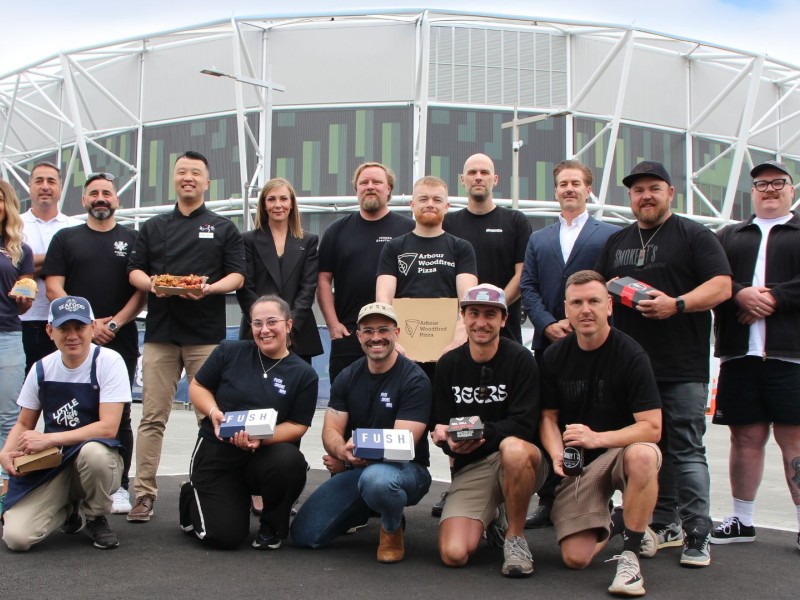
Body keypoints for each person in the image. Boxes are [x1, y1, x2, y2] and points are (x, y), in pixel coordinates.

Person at [594, 160, 732, 568]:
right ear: (630, 198)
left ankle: (697, 533)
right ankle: (660, 523)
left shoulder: (694, 235)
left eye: (654, 188)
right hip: (630, 369)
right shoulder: (618, 240)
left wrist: (679, 304)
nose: (646, 196)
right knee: (643, 449)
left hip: (681, 366)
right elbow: (600, 290)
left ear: (670, 193)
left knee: (686, 448)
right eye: (638, 191)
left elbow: (722, 285)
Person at [127, 150, 245, 522]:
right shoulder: (154, 227)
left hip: (205, 337)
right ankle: (144, 493)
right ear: (174, 179)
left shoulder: (224, 228)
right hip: (160, 334)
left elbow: (237, 276)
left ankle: (209, 488)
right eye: (181, 172)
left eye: (195, 172)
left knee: (209, 417)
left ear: (208, 182)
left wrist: (208, 289)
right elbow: (134, 271)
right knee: (152, 417)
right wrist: (153, 285)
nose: (188, 177)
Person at [539, 270, 662, 596]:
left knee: (643, 455)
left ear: (609, 305)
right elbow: (547, 418)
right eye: (577, 303)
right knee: (575, 559)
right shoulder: (553, 356)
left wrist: (598, 438)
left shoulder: (631, 354)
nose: (585, 310)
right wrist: (555, 454)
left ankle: (631, 556)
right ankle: (623, 521)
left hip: (620, 451)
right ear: (566, 309)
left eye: (594, 301)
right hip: (581, 465)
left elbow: (652, 427)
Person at [291, 302, 432, 563]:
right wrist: (339, 450)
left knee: (377, 480)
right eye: (367, 331)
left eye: (383, 330)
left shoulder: (414, 380)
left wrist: (345, 461)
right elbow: (332, 429)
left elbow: (402, 443)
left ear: (397, 333)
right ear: (358, 336)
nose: (375, 337)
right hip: (359, 469)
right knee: (304, 535)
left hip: (408, 471)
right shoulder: (347, 376)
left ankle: (391, 528)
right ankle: (364, 508)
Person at [520, 159, 620, 528]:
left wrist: (583, 324)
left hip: (594, 347)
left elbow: (611, 287)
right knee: (547, 418)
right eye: (563, 183)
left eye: (576, 183)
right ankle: (549, 498)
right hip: (550, 346)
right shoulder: (539, 238)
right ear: (556, 190)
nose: (569, 189)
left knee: (595, 416)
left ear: (588, 189)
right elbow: (528, 288)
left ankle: (600, 497)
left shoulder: (609, 234)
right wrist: (547, 324)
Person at [43, 172, 146, 515]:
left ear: (117, 200)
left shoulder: (133, 239)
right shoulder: (66, 238)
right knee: (64, 410)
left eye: (107, 193)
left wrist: (113, 323)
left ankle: (119, 487)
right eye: (93, 193)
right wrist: (87, 325)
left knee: (122, 413)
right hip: (74, 337)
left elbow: (141, 291)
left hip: (120, 336)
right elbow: (54, 287)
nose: (100, 198)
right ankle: (60, 485)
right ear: (84, 200)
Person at [180, 295, 318, 550]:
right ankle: (191, 496)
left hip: (262, 457)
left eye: (272, 322)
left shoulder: (304, 374)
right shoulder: (228, 351)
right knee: (224, 538)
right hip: (218, 455)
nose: (264, 330)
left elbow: (298, 425)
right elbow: (198, 387)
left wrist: (261, 439)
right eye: (257, 324)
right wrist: (213, 412)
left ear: (288, 325)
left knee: (289, 461)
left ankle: (271, 526)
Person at [711, 160, 800, 551]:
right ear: (752, 192)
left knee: (794, 441)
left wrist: (774, 298)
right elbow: (713, 279)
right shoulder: (730, 235)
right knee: (744, 438)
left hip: (791, 356)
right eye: (761, 184)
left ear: (791, 190)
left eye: (778, 182)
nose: (769, 189)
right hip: (739, 355)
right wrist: (739, 293)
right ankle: (742, 520)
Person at [430, 283, 547, 578]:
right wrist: (447, 443)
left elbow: (523, 424)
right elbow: (442, 423)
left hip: (521, 460)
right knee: (453, 554)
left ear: (504, 319)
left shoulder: (522, 359)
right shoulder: (448, 364)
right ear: (463, 317)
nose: (481, 322)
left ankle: (515, 538)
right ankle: (492, 515)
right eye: (474, 313)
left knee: (513, 448)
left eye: (490, 315)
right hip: (474, 466)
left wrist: (478, 435)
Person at [0, 296, 130, 551]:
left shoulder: (109, 361)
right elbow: (24, 423)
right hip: (54, 464)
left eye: (79, 328)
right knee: (17, 539)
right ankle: (70, 510)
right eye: (63, 328)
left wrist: (48, 438)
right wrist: (5, 453)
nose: (72, 336)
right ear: (50, 331)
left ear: (93, 328)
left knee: (95, 453)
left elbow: (108, 428)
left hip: (97, 461)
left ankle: (95, 516)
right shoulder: (41, 369)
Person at [317, 162, 414, 382]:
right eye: (364, 183)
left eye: (377, 182)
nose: (370, 186)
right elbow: (323, 280)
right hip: (349, 334)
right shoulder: (336, 230)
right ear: (356, 189)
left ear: (389, 188)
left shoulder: (408, 230)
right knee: (346, 405)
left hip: (397, 335)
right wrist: (333, 325)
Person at [376, 176, 479, 375]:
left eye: (437, 200)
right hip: (403, 353)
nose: (430, 204)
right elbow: (383, 299)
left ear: (447, 206)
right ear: (412, 204)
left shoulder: (461, 248)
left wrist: (459, 338)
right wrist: (390, 337)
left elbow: (469, 299)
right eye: (423, 199)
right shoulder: (394, 247)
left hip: (452, 352)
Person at [443, 153, 532, 343]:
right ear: (462, 179)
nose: (478, 177)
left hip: (504, 327)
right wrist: (469, 314)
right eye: (472, 172)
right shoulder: (447, 223)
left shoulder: (516, 221)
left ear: (495, 179)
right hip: (456, 331)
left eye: (484, 172)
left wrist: (494, 307)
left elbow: (522, 274)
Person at [236, 177, 322, 364]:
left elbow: (308, 288)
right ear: (264, 205)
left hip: (297, 334)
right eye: (271, 199)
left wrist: (288, 327)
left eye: (283, 199)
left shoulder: (308, 241)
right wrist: (263, 325)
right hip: (259, 334)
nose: (278, 205)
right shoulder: (247, 240)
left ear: (291, 204)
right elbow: (245, 288)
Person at [19, 162, 80, 372]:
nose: (45, 186)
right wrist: (58, 259)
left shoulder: (74, 227)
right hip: (22, 320)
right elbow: (9, 267)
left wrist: (28, 265)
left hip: (64, 322)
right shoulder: (14, 225)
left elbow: (78, 268)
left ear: (61, 188)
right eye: (39, 181)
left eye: (51, 181)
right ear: (30, 186)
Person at [0, 180, 34, 513]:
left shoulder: (18, 250)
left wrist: (23, 300)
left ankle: (4, 489)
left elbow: (23, 302)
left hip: (7, 336)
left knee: (9, 418)